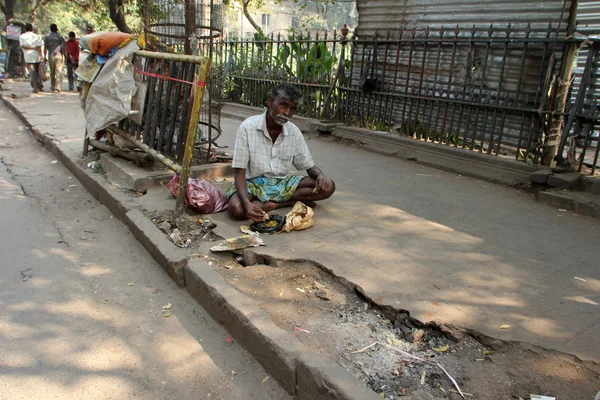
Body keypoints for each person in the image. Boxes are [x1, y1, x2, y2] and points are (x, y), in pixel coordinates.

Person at [227, 83, 335, 222]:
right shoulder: (248, 127)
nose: (287, 113)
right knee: (237, 209)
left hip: (282, 183)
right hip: (252, 184)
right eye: (283, 105)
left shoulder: (293, 132)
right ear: (271, 102)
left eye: (292, 109)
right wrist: (247, 204)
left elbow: (309, 166)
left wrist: (320, 175)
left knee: (328, 186)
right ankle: (284, 202)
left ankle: (273, 204)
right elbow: (240, 172)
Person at [19, 23, 44, 93]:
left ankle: (36, 87)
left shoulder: (22, 36)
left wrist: (31, 48)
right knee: (36, 72)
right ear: (32, 29)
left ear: (25, 29)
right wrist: (41, 55)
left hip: (28, 56)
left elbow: (23, 46)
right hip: (36, 55)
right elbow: (39, 47)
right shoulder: (37, 36)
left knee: (32, 72)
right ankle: (39, 85)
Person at [43, 24, 65, 92]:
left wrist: (44, 56)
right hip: (59, 55)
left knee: (52, 72)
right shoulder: (60, 37)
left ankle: (53, 86)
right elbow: (63, 48)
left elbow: (45, 48)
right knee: (58, 71)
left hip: (51, 56)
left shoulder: (47, 37)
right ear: (57, 29)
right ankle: (58, 87)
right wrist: (63, 56)